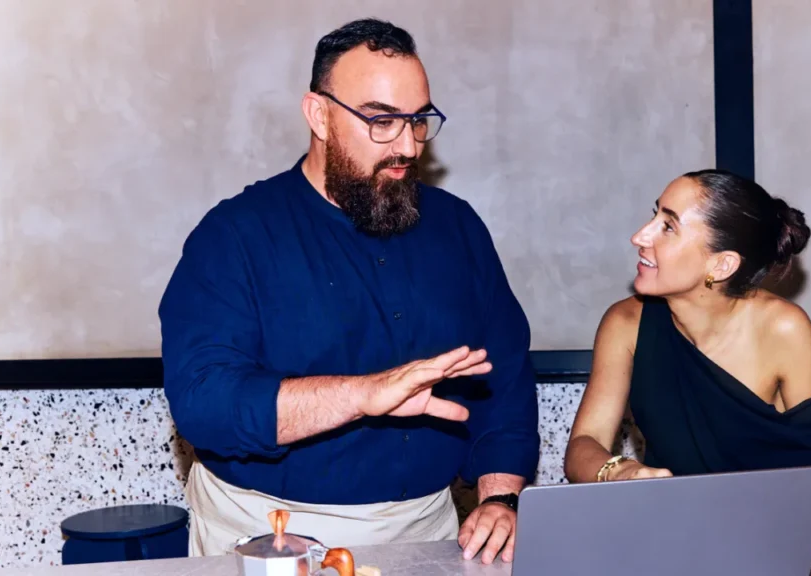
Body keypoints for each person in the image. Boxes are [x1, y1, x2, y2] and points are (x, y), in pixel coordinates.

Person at [158, 18, 538, 565]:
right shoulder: (234, 236)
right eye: (382, 121)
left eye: (419, 120)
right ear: (319, 114)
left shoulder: (458, 228)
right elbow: (205, 403)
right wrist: (361, 395)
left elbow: (503, 378)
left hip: (429, 527)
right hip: (269, 536)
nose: (407, 145)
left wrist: (501, 496)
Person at [563, 169, 811, 519]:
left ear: (721, 264)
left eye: (668, 227)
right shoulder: (624, 324)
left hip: (773, 532)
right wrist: (620, 471)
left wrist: (730, 518)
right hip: (669, 529)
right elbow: (584, 445)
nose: (639, 236)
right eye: (654, 215)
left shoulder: (783, 329)